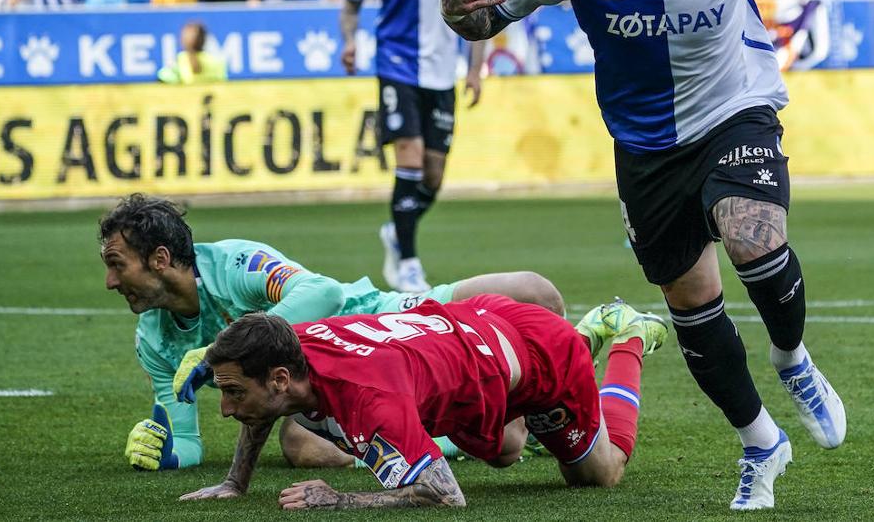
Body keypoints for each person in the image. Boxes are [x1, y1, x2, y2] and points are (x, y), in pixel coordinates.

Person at [440, 0, 874, 510]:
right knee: (692, 303)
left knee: (752, 235)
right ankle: (761, 442)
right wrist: (452, 10)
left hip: (734, 107)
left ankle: (792, 359)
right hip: (645, 150)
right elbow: (480, 14)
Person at [99, 193, 565, 473]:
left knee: (534, 291)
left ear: (160, 259)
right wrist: (167, 453)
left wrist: (223, 347)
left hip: (380, 318)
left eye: (117, 265)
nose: (110, 283)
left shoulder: (236, 264)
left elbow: (320, 292)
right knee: (301, 444)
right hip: (331, 389)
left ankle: (548, 419)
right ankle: (448, 434)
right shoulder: (153, 341)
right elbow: (185, 438)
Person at [178, 295, 665, 509]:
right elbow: (259, 401)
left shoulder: (367, 400)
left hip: (541, 354)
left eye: (232, 393)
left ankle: (625, 335)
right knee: (503, 454)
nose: (226, 408)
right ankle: (577, 352)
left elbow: (447, 495)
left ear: (282, 378)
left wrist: (340, 499)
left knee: (599, 476)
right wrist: (235, 481)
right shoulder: (287, 349)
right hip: (477, 334)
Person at [338, 0, 485, 294]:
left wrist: (475, 68)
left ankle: (397, 229)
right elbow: (350, 2)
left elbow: (478, 9)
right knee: (411, 157)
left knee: (433, 178)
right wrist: (349, 41)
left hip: (441, 72)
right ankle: (408, 261)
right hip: (396, 67)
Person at [158, 22, 228, 82]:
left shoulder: (215, 61)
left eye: (190, 35)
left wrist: (190, 50)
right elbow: (163, 75)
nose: (184, 38)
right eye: (185, 34)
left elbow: (191, 77)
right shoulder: (182, 58)